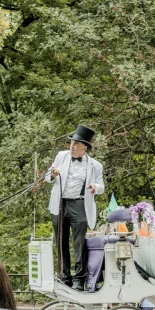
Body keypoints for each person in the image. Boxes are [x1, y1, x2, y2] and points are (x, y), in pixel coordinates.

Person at [46, 124, 105, 291]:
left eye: (76, 144)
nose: (72, 146)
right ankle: (65, 276)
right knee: (61, 241)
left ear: (84, 147)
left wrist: (95, 187)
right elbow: (47, 177)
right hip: (60, 203)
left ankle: (79, 278)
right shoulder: (61, 156)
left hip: (80, 204)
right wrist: (52, 175)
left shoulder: (95, 165)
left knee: (79, 243)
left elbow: (102, 186)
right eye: (71, 143)